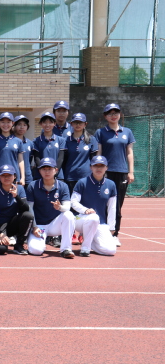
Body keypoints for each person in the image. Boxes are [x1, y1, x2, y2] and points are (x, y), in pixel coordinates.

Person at [95, 103, 135, 246]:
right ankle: (101, 233)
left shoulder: (127, 132)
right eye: (110, 113)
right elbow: (98, 153)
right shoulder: (100, 132)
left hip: (122, 173)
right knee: (103, 203)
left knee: (117, 205)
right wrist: (98, 171)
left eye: (116, 113)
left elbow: (129, 153)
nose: (113, 116)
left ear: (120, 115)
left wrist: (131, 172)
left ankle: (114, 234)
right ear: (105, 116)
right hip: (106, 173)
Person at [26, 158, 76, 258]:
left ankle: (66, 249)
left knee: (69, 215)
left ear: (56, 170)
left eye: (49, 169)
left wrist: (60, 207)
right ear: (39, 171)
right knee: (36, 251)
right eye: (44, 169)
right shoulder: (33, 185)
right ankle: (41, 242)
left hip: (55, 225)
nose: (47, 172)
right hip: (39, 226)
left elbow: (67, 207)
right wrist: (34, 226)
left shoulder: (63, 186)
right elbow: (29, 208)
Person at [71, 156, 118, 257]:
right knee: (93, 217)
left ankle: (89, 239)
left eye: (102, 166)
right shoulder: (82, 182)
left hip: (100, 223)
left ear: (106, 168)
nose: (99, 168)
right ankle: (85, 248)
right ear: (91, 167)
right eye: (96, 166)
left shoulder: (111, 184)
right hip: (80, 220)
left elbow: (112, 208)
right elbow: (73, 202)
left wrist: (111, 227)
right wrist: (85, 210)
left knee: (111, 250)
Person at [0, 165, 34, 255]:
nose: (6, 178)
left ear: (14, 176)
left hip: (11, 225)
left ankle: (19, 244)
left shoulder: (19, 189)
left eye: (9, 175)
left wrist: (16, 196)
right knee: (0, 249)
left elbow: (26, 209)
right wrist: (0, 233)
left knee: (28, 216)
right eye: (3, 175)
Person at [62, 113, 98, 192]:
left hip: (86, 176)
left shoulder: (91, 139)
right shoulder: (66, 140)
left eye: (80, 122)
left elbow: (93, 159)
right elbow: (64, 160)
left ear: (85, 124)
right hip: (70, 176)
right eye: (75, 122)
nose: (78, 125)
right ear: (71, 124)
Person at [0, 112, 25, 187]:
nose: (5, 125)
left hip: (14, 177)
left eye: (8, 122)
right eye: (3, 122)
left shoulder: (18, 141)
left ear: (12, 123)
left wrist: (22, 177)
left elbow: (20, 160)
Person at [32, 111, 65, 182]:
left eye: (50, 122)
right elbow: (37, 158)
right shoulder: (36, 141)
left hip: (57, 175)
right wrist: (43, 172)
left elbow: (61, 158)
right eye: (45, 122)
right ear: (41, 124)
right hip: (41, 175)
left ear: (54, 124)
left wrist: (54, 172)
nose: (47, 125)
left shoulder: (61, 140)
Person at [13, 114, 34, 190]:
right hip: (13, 176)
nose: (22, 127)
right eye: (19, 124)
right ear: (14, 126)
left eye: (24, 125)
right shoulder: (10, 141)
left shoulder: (30, 143)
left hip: (27, 177)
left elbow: (30, 159)